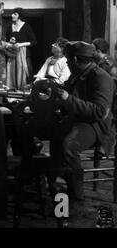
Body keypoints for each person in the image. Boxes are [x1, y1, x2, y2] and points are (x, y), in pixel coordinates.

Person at [51, 41, 115, 205]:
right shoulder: (78, 74)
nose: (67, 62)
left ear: (75, 59)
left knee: (69, 145)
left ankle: (76, 197)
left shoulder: (101, 77)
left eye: (68, 59)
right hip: (79, 119)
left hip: (96, 126)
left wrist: (67, 99)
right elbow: (67, 96)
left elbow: (99, 112)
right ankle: (57, 183)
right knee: (52, 134)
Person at [5, 7, 37, 90]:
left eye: (15, 14)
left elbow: (34, 41)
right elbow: (6, 41)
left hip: (24, 54)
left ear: (19, 16)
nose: (12, 15)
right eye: (13, 13)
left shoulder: (26, 26)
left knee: (27, 73)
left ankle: (24, 92)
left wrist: (21, 44)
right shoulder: (10, 27)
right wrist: (10, 42)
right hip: (12, 54)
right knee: (12, 74)